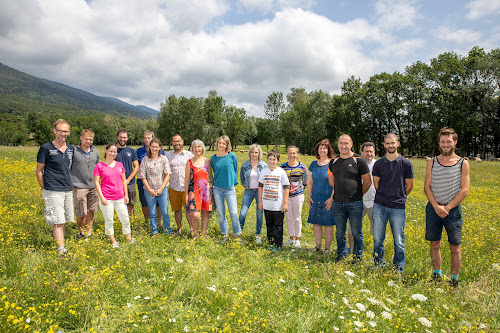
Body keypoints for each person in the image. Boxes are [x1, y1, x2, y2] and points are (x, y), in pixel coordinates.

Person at [424, 127, 469, 288]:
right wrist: (436, 206)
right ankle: (437, 275)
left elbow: (465, 189)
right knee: (434, 244)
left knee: (455, 247)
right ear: (439, 143)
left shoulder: (463, 163)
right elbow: (427, 187)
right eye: (442, 142)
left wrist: (448, 207)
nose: (445, 144)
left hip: (453, 210)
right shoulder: (432, 162)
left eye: (448, 141)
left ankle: (454, 279)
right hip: (433, 209)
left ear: (455, 142)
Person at [372, 134, 414, 272]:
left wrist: (399, 196)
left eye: (393, 143)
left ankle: (398, 267)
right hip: (380, 205)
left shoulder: (406, 164)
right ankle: (378, 263)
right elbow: (376, 184)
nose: (390, 145)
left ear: (398, 144)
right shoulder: (378, 164)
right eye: (387, 143)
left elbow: (409, 186)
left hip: (398, 207)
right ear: (384, 145)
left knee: (399, 240)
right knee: (378, 238)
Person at [329, 134, 371, 263]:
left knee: (357, 232)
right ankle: (341, 254)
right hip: (338, 203)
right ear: (338, 145)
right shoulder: (334, 161)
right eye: (341, 143)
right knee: (340, 232)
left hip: (355, 203)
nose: (343, 146)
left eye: (346, 143)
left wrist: (357, 194)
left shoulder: (359, 160)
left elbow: (367, 181)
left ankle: (357, 257)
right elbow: (332, 181)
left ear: (351, 144)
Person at [36, 119, 74, 256]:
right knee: (57, 221)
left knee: (62, 220)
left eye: (65, 131)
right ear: (54, 131)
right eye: (60, 130)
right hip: (53, 189)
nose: (63, 134)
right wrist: (44, 188)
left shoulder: (71, 148)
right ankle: (61, 251)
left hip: (67, 189)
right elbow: (39, 170)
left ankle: (62, 245)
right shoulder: (46, 148)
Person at [94, 143, 135, 248]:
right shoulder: (99, 166)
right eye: (111, 151)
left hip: (120, 197)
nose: (113, 153)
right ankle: (113, 241)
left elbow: (123, 181)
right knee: (109, 220)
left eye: (115, 152)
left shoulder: (119, 165)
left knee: (125, 218)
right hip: (107, 198)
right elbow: (97, 183)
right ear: (106, 151)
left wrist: (126, 194)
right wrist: (102, 197)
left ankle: (128, 238)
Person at [209, 135, 241, 242]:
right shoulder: (213, 159)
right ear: (217, 144)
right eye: (220, 143)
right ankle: (225, 234)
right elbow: (213, 173)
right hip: (217, 189)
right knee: (221, 214)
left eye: (224, 143)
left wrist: (232, 182)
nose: (221, 145)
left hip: (229, 189)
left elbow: (235, 170)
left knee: (234, 213)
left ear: (227, 145)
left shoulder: (232, 156)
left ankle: (237, 235)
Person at [137, 138, 173, 236]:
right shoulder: (145, 159)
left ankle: (167, 231)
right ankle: (154, 231)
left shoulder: (164, 159)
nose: (154, 149)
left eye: (156, 147)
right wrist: (149, 190)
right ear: (150, 147)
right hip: (149, 190)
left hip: (162, 189)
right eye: (152, 146)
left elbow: (167, 174)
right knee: (152, 212)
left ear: (160, 148)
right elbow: (142, 176)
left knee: (164, 211)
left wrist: (161, 189)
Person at [307, 139, 335, 255]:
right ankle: (317, 246)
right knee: (316, 223)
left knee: (328, 224)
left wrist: (332, 198)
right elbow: (310, 182)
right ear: (317, 150)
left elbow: (336, 183)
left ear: (328, 150)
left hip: (328, 199)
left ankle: (327, 248)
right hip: (315, 198)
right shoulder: (313, 164)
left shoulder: (332, 164)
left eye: (325, 148)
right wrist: (309, 196)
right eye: (320, 148)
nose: (322, 150)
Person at [258, 150, 290, 251]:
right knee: (269, 225)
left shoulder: (281, 172)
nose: (272, 161)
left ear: (278, 161)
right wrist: (260, 201)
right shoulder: (264, 171)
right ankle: (271, 243)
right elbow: (260, 187)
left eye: (274, 159)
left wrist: (284, 203)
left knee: (278, 225)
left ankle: (278, 244)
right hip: (267, 204)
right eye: (270, 159)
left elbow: (286, 187)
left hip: (278, 205)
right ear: (267, 160)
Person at [70, 129, 100, 239]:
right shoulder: (74, 151)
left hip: (93, 185)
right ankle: (81, 232)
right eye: (86, 139)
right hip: (79, 185)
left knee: (91, 210)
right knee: (80, 211)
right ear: (81, 138)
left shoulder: (95, 152)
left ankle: (89, 232)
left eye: (91, 139)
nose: (88, 141)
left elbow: (97, 168)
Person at [347, 142, 376, 250]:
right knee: (352, 228)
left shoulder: (378, 165)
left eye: (371, 151)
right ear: (362, 152)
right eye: (366, 151)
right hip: (357, 202)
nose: (369, 154)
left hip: (374, 202)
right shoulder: (355, 164)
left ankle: (376, 252)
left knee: (376, 230)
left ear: (374, 153)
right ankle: (352, 249)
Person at [239, 144, 268, 244]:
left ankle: (258, 235)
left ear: (259, 153)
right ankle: (239, 234)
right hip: (249, 191)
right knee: (243, 213)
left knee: (259, 214)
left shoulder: (264, 165)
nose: (254, 154)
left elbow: (266, 178)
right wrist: (244, 184)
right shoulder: (245, 165)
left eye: (256, 152)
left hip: (260, 192)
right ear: (249, 153)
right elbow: (242, 176)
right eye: (252, 152)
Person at [166, 134, 194, 235]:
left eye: (179, 141)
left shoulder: (189, 155)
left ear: (182, 141)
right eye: (174, 141)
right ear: (172, 143)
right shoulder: (167, 156)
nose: (177, 143)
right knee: (177, 210)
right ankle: (179, 229)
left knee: (189, 210)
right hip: (173, 187)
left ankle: (192, 229)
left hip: (186, 188)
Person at [281, 146, 308, 248]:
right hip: (286, 196)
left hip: (298, 195)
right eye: (290, 153)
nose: (292, 155)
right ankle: (291, 238)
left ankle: (297, 239)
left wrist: (299, 189)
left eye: (294, 153)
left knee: (297, 218)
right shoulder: (282, 167)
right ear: (287, 154)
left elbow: (306, 180)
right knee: (289, 217)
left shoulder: (302, 167)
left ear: (297, 154)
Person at [184, 140, 212, 238]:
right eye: (195, 147)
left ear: (202, 148)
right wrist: (186, 194)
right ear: (192, 149)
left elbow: (210, 177)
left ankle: (203, 234)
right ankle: (196, 234)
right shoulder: (189, 162)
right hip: (193, 191)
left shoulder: (207, 161)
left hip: (205, 192)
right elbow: (187, 178)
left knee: (205, 212)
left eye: (199, 147)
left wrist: (212, 190)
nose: (197, 149)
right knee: (195, 215)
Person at [136, 131, 165, 223]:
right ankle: (147, 222)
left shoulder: (161, 150)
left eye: (149, 138)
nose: (147, 140)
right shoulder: (139, 151)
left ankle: (158, 222)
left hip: (157, 182)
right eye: (145, 138)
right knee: (144, 203)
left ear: (153, 138)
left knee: (158, 204)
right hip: (143, 182)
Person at [116, 129, 139, 217]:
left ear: (127, 138)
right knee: (118, 204)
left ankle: (130, 223)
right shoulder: (114, 150)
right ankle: (120, 222)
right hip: (116, 183)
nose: (122, 139)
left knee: (130, 204)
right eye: (121, 137)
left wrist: (128, 180)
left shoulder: (132, 151)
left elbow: (136, 167)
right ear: (117, 137)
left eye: (124, 137)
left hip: (130, 183)